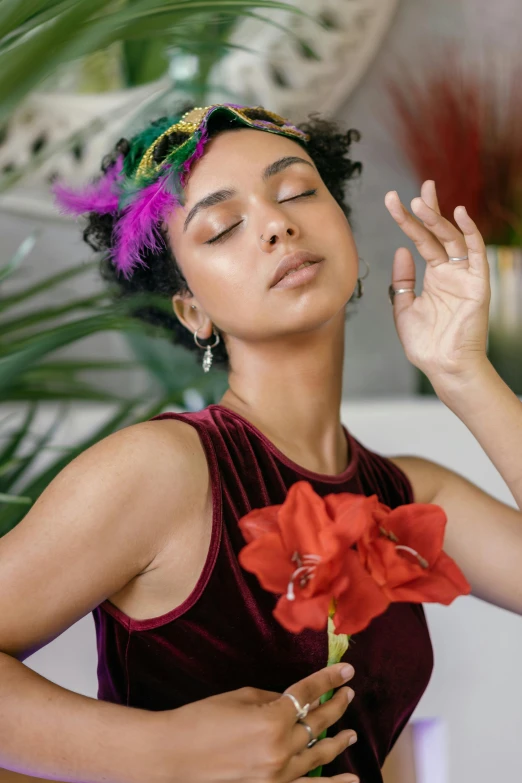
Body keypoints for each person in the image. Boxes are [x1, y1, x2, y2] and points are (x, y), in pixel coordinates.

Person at [1, 102, 521, 783]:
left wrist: (466, 373)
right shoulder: (161, 471)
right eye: (222, 227)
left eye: (299, 192)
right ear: (191, 308)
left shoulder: (407, 498)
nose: (277, 224)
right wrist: (168, 753)